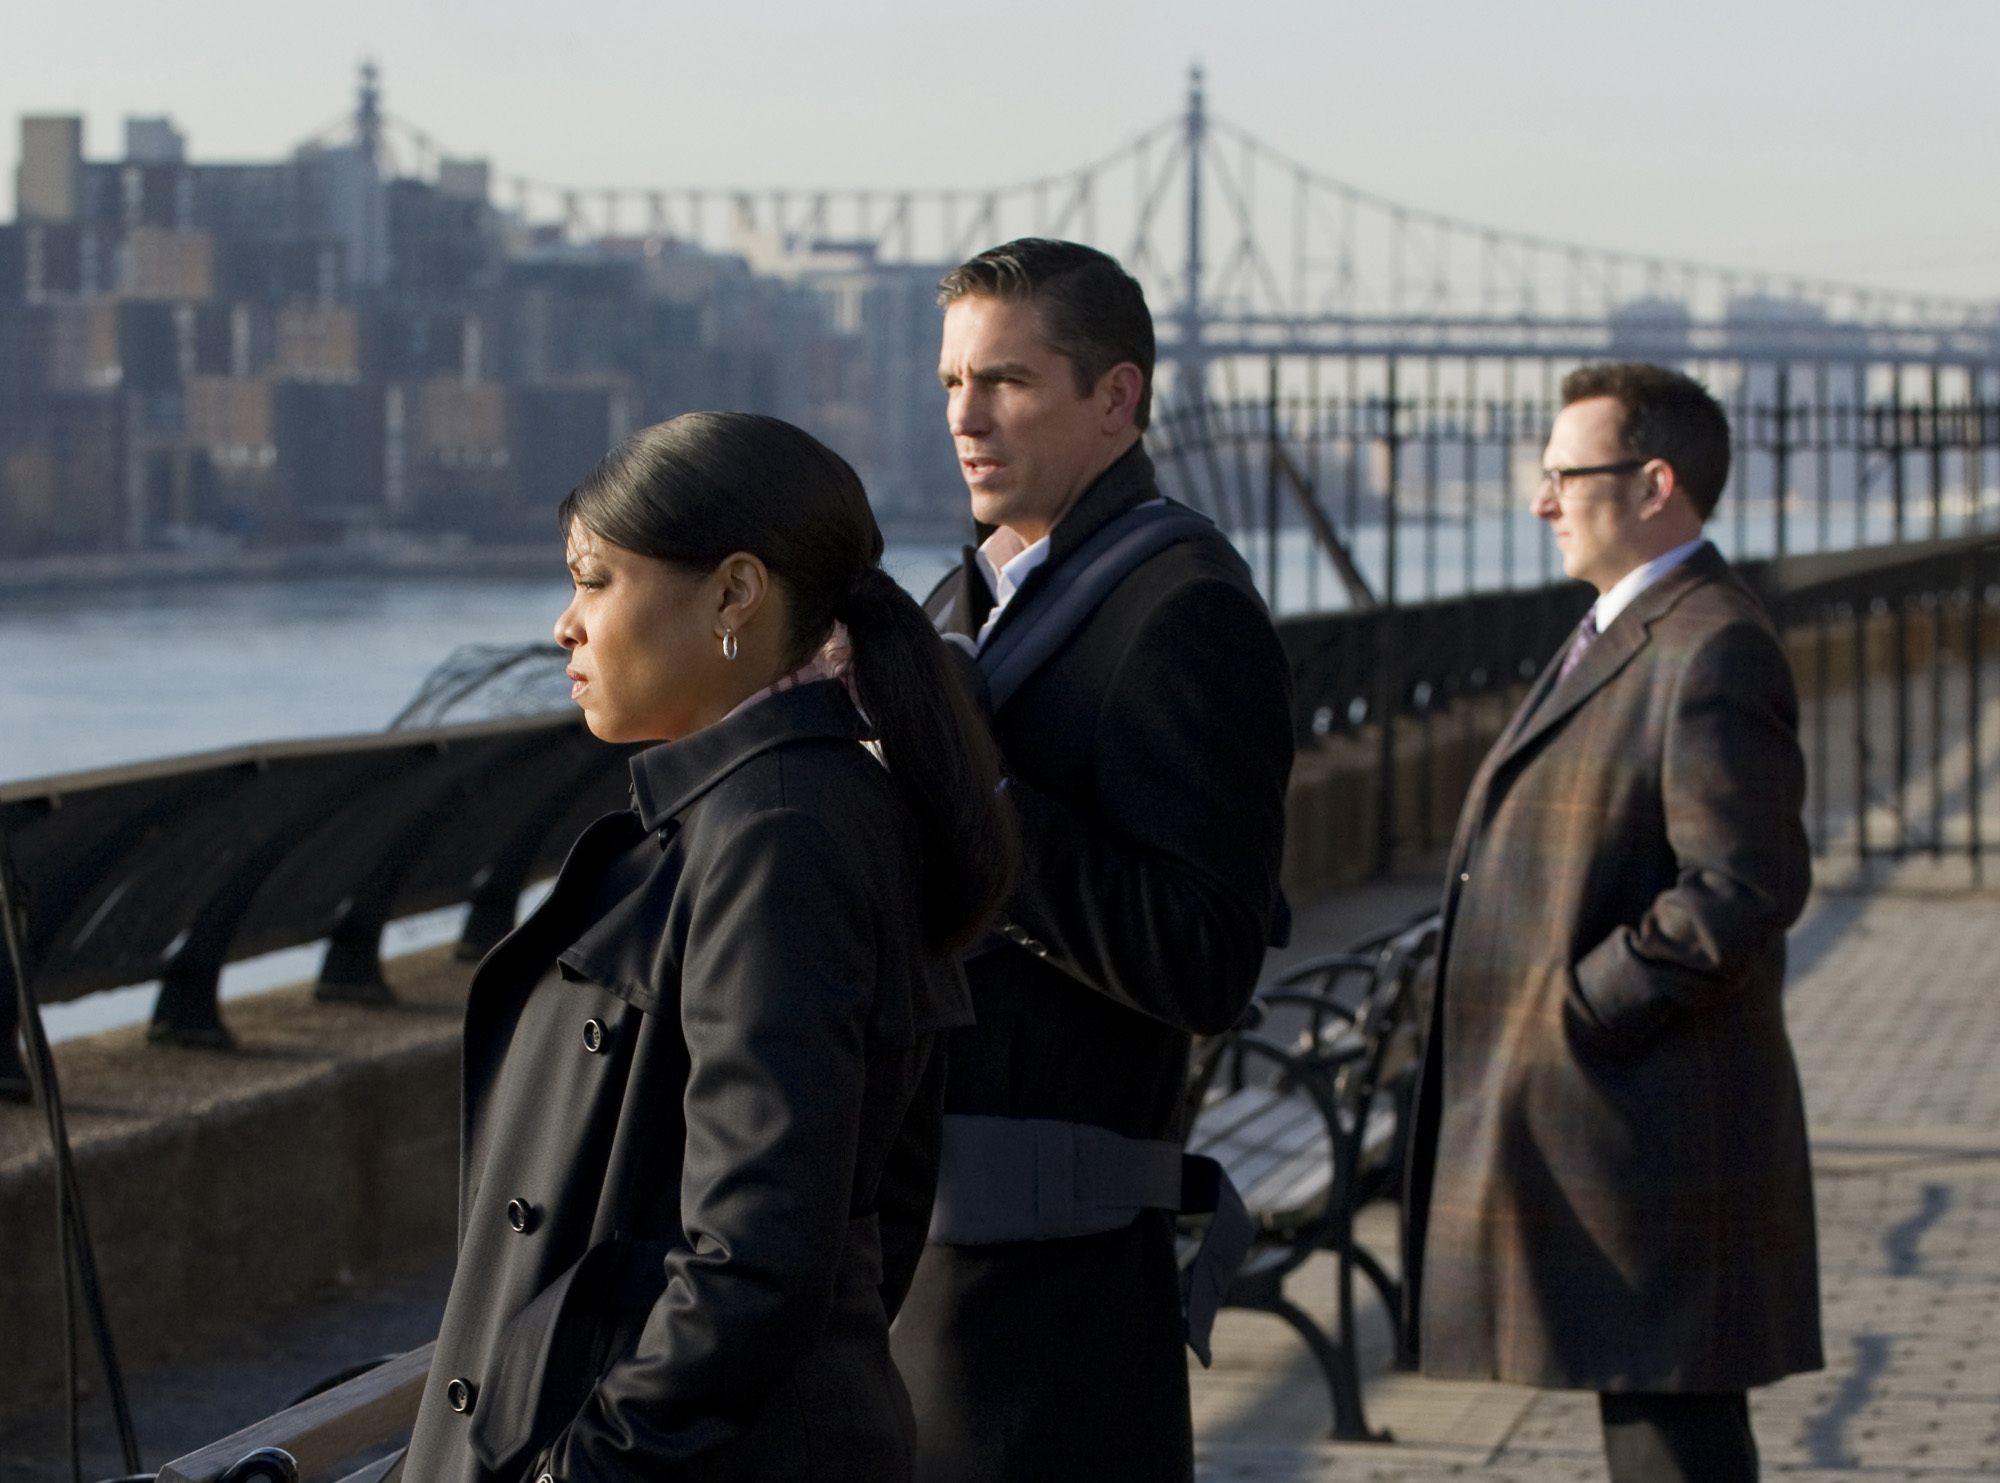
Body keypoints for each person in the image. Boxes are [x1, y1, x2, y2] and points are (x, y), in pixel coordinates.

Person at [403, 411, 1016, 1483]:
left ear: (735, 594)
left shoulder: (776, 835)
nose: (565, 624)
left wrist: (580, 1467)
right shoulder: (795, 807)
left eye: (596, 580)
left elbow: (758, 1252)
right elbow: (876, 1204)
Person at [889, 239, 1295, 1483]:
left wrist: (984, 804)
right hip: (924, 1246)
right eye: (951, 379)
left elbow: (1205, 957)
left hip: (1047, 1276)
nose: (964, 416)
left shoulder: (1184, 607)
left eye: (1006, 380)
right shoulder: (957, 598)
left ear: (1114, 398)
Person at [1404, 362, 1821, 1483]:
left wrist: (1581, 1006)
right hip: (1618, 1121)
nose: (1540, 501)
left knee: (1672, 1440)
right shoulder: (1625, 625)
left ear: (1652, 485)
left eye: (1562, 476)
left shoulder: (1707, 640)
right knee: (1651, 1427)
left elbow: (1743, 878)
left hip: (1650, 1120)